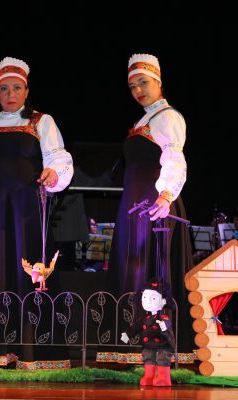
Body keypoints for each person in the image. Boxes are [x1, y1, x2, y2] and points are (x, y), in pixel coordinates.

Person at [0, 57, 73, 358]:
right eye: (4, 88)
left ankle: (33, 352)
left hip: (27, 212)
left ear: (26, 91)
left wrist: (53, 174)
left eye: (16, 88)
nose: (10, 94)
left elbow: (58, 158)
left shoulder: (41, 121)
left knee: (30, 272)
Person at [106, 53, 194, 352]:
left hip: (154, 205)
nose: (138, 90)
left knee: (150, 270)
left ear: (158, 82)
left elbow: (174, 157)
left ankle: (157, 348)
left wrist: (166, 195)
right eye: (132, 86)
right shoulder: (143, 120)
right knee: (133, 268)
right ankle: (131, 345)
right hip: (135, 207)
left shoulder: (167, 116)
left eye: (143, 83)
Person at [121, 277, 175, 387]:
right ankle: (149, 377)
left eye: (153, 298)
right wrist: (127, 334)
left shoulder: (163, 317)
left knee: (162, 359)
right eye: (145, 297)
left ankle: (164, 379)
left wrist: (164, 326)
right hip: (149, 344)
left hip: (163, 344)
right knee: (148, 358)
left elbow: (167, 324)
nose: (148, 301)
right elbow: (136, 327)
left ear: (163, 301)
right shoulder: (145, 318)